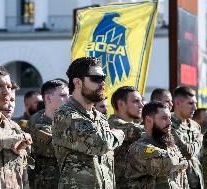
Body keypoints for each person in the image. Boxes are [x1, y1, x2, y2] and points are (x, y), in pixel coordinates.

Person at [52, 57, 125, 188]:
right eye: (96, 78)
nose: (102, 83)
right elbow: (100, 143)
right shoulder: (65, 114)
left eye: (103, 78)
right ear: (77, 82)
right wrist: (118, 134)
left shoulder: (100, 117)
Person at [125, 102, 189, 189]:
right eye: (164, 118)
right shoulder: (139, 148)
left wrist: (181, 163)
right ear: (148, 120)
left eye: (170, 118)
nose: (170, 122)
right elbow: (169, 163)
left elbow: (182, 177)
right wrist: (182, 162)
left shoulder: (171, 146)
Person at [28, 79, 69, 189]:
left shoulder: (66, 120)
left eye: (68, 95)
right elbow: (56, 148)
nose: (68, 99)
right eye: (63, 95)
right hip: (47, 183)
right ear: (48, 98)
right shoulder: (37, 121)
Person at [108, 86, 144, 188]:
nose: (141, 105)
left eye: (141, 101)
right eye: (136, 101)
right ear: (121, 104)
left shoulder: (137, 125)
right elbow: (137, 131)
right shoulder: (113, 124)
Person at [171, 86, 204, 189]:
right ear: (177, 103)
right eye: (190, 103)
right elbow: (186, 152)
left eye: (195, 103)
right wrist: (200, 139)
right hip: (180, 182)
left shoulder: (195, 125)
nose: (195, 108)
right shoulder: (169, 125)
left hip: (197, 180)